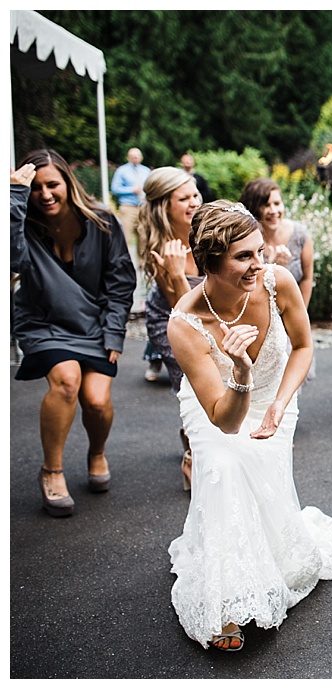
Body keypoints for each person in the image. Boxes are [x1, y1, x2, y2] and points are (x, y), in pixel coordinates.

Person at [166, 200, 332, 651]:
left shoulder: (277, 282)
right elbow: (225, 422)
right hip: (218, 410)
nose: (258, 264)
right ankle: (222, 603)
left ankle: (267, 559)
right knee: (225, 469)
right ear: (210, 261)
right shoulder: (185, 323)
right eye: (243, 257)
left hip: (275, 397)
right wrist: (241, 372)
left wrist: (280, 406)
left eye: (259, 252)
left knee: (263, 478)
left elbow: (304, 347)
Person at [10, 150, 136, 517]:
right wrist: (15, 199)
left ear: (68, 183)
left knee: (96, 401)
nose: (44, 194)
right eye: (35, 188)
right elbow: (12, 261)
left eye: (53, 185)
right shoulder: (24, 224)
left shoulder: (102, 222)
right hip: (43, 322)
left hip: (93, 325)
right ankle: (52, 471)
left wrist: (113, 334)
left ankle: (96, 452)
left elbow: (121, 281)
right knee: (66, 380)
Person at [136, 167, 204, 488]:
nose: (194, 202)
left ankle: (198, 439)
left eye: (195, 195)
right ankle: (192, 454)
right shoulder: (160, 250)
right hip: (172, 318)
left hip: (206, 314)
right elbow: (183, 310)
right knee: (192, 381)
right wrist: (176, 274)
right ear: (165, 206)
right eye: (184, 198)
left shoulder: (204, 232)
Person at [241, 177, 317, 384]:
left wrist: (300, 315)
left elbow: (307, 278)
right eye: (266, 205)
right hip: (259, 317)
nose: (273, 210)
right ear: (254, 208)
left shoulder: (300, 235)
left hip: (292, 312)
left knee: (292, 373)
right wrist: (272, 267)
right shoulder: (248, 238)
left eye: (277, 203)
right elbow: (244, 286)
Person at [110, 147, 151, 250]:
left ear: (141, 157)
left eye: (137, 157)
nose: (135, 159)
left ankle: (143, 265)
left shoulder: (146, 171)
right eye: (132, 157)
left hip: (143, 207)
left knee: (144, 238)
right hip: (128, 207)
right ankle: (125, 263)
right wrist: (131, 190)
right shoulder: (122, 171)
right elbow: (114, 188)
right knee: (125, 237)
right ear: (128, 158)